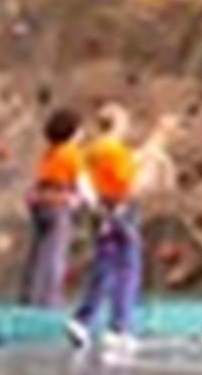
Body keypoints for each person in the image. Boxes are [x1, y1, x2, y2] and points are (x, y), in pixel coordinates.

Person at [66, 102, 179, 356]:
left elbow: (132, 160)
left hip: (101, 212)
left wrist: (156, 141)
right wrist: (154, 156)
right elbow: (133, 184)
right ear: (118, 124)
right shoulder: (113, 151)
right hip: (120, 211)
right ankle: (119, 328)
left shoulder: (92, 151)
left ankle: (82, 320)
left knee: (104, 267)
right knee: (127, 269)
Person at [20, 107, 84, 307]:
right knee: (54, 254)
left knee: (37, 252)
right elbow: (80, 182)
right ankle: (49, 299)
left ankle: (29, 294)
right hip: (58, 206)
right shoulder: (71, 153)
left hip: (40, 204)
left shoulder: (50, 152)